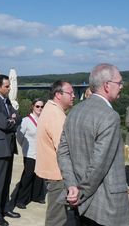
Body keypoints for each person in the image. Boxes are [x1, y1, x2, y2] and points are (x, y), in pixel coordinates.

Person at [57, 63, 129, 226]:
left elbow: (63, 153)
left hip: (78, 201)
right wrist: (80, 193)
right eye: (119, 83)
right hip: (105, 207)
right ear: (107, 85)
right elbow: (99, 165)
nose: (121, 87)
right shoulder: (110, 116)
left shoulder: (74, 112)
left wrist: (72, 188)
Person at [35, 80, 75, 226]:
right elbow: (64, 149)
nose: (74, 96)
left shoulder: (50, 109)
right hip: (58, 174)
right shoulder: (56, 115)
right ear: (58, 95)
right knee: (57, 219)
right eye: (70, 93)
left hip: (53, 172)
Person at [0, 74, 22, 226]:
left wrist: (12, 118)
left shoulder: (6, 100)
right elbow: (3, 124)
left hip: (9, 144)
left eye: (9, 85)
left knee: (7, 180)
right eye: (7, 86)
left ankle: (5, 208)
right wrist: (12, 119)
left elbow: (18, 117)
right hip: (0, 146)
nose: (9, 88)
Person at [8, 99, 46, 210]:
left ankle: (36, 196)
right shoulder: (26, 120)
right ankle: (21, 199)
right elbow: (19, 136)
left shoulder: (43, 120)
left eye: (42, 107)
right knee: (28, 176)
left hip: (41, 153)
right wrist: (25, 147)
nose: (40, 108)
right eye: (37, 106)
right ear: (32, 107)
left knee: (39, 175)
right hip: (30, 153)